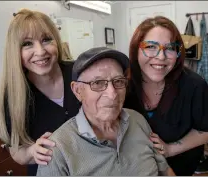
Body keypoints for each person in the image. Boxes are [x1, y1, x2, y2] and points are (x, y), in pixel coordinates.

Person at [36, 47, 175, 176]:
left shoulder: (137, 120)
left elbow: (165, 170)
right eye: (97, 83)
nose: (112, 93)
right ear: (78, 91)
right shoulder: (57, 150)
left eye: (119, 81)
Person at [123, 16, 208, 176]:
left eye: (170, 48)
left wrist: (171, 149)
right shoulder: (122, 85)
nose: (161, 57)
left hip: (180, 166)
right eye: (150, 46)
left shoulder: (193, 85)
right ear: (136, 50)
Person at [0, 9, 80, 176]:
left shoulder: (80, 73)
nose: (40, 51)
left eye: (46, 40)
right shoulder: (13, 96)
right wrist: (31, 152)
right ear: (15, 51)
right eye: (27, 44)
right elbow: (17, 152)